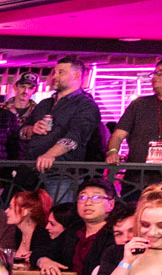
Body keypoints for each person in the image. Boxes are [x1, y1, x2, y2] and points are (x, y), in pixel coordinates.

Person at [20, 57, 102, 202]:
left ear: (77, 75)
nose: (55, 76)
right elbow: (21, 131)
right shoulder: (44, 103)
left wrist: (50, 154)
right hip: (31, 172)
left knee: (59, 214)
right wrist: (32, 129)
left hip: (62, 174)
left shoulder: (86, 105)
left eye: (61, 72)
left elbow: (75, 137)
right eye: (55, 72)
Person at [106, 58, 162, 166]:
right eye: (154, 73)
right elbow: (118, 135)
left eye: (161, 72)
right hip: (139, 173)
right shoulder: (139, 104)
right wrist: (112, 152)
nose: (155, 77)